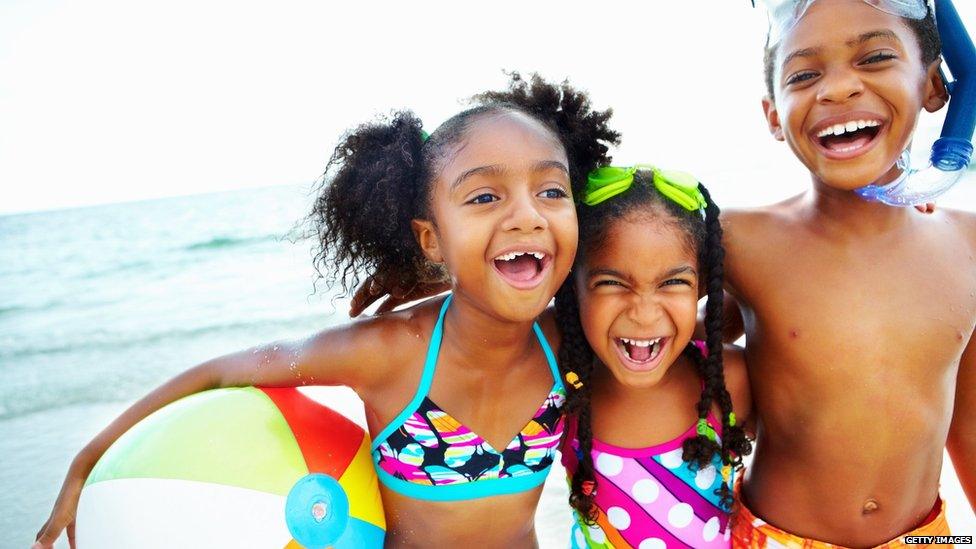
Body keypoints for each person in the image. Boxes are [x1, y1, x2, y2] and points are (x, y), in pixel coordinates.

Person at [32, 73, 620, 547]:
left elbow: (669, 282)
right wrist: (89, 459)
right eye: (485, 196)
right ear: (430, 239)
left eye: (550, 191)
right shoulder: (389, 353)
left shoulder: (570, 335)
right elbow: (227, 369)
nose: (527, 214)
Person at [724, 0, 976, 546]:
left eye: (876, 57)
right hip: (775, 537)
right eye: (806, 74)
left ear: (934, 87)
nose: (837, 89)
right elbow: (656, 338)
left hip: (928, 538)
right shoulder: (739, 241)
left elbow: (970, 426)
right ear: (773, 114)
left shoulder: (968, 244)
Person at [554, 165, 752, 548]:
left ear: (701, 287)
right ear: (570, 285)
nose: (644, 313)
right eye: (611, 283)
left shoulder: (728, 379)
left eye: (673, 282)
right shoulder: (563, 390)